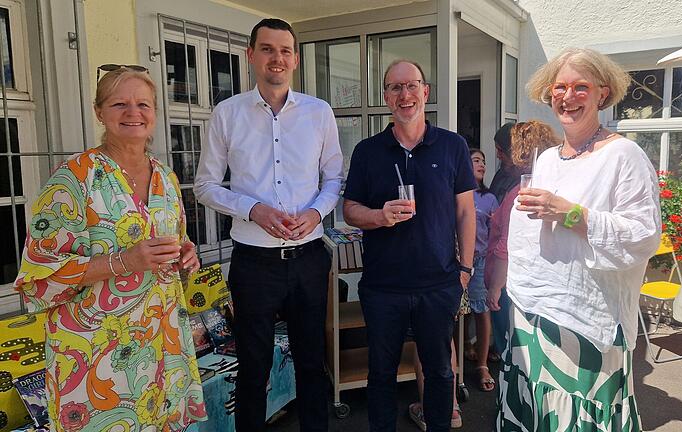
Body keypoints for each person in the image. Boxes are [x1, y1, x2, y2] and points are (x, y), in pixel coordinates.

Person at [14, 66, 206, 431]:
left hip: (159, 341)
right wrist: (124, 261)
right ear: (99, 111)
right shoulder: (73, 178)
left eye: (143, 104)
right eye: (120, 103)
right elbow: (39, 274)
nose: (134, 113)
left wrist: (186, 254)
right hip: (94, 351)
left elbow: (177, 239)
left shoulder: (165, 176)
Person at [490, 47, 661, 431]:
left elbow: (642, 236)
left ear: (603, 92)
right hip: (534, 310)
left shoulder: (624, 155)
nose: (567, 97)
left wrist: (569, 213)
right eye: (559, 87)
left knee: (579, 417)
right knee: (535, 408)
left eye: (580, 87)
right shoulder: (547, 159)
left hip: (588, 318)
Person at [193, 18, 343, 432]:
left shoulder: (319, 113)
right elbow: (204, 185)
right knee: (252, 368)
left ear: (295, 59)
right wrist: (253, 209)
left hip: (310, 257)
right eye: (267, 49)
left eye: (284, 50)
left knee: (313, 364)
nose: (277, 58)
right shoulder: (227, 114)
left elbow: (334, 179)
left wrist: (315, 214)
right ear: (251, 55)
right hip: (253, 263)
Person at [343, 59, 476, 432]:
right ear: (386, 96)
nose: (405, 95)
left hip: (439, 283)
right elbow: (350, 210)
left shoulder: (452, 146)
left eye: (412, 86)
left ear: (425, 92)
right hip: (383, 287)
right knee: (381, 374)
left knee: (438, 371)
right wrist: (379, 217)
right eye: (396, 88)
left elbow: (466, 212)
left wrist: (465, 270)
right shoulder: (368, 151)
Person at [484, 121, 559, 364]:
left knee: (514, 353)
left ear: (522, 151)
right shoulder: (553, 186)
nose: (501, 155)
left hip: (513, 284)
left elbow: (507, 244)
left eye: (505, 149)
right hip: (541, 282)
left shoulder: (524, 190)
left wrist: (495, 286)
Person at [461, 149, 499, 392]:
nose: (482, 164)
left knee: (481, 311)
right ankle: (463, 350)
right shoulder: (454, 193)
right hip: (455, 261)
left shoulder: (490, 199)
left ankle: (482, 365)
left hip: (480, 261)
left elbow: (495, 233)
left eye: (483, 161)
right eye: (476, 160)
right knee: (457, 313)